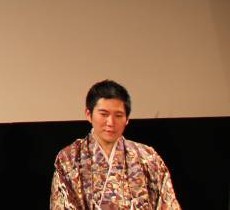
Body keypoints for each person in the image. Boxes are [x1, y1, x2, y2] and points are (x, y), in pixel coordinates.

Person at [50, 80, 180, 210]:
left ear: (127, 119)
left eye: (118, 115)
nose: (111, 122)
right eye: (104, 114)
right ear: (89, 114)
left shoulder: (148, 157)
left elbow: (168, 204)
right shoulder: (69, 158)